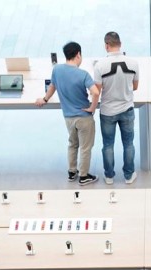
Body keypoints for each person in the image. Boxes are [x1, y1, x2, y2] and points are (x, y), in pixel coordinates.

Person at [35, 42, 100, 186]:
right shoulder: (83, 74)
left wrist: (44, 99)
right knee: (85, 147)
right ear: (78, 54)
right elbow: (95, 92)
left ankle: (72, 172)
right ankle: (83, 176)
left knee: (72, 144)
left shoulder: (57, 70)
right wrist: (92, 108)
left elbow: (52, 86)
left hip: (68, 118)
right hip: (83, 118)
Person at [93, 31, 139, 185]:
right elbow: (135, 86)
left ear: (107, 45)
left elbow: (97, 91)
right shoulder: (133, 63)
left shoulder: (100, 66)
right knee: (128, 144)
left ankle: (109, 176)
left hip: (107, 111)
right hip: (127, 109)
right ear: (120, 44)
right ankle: (128, 175)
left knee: (108, 145)